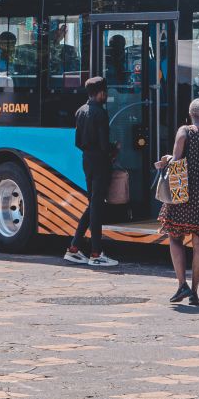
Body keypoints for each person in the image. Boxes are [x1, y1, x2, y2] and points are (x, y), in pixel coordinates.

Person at [154, 98, 199, 306]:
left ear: (190, 115)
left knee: (175, 237)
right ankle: (194, 292)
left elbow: (176, 161)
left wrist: (166, 159)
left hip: (183, 194)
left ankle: (181, 284)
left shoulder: (184, 131)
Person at [64, 77, 119, 267]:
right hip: (100, 162)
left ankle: (74, 248)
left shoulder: (80, 111)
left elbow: (78, 142)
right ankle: (96, 253)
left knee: (92, 204)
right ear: (100, 93)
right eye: (105, 92)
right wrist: (114, 149)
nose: (106, 96)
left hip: (86, 160)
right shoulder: (100, 113)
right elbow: (104, 145)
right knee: (96, 207)